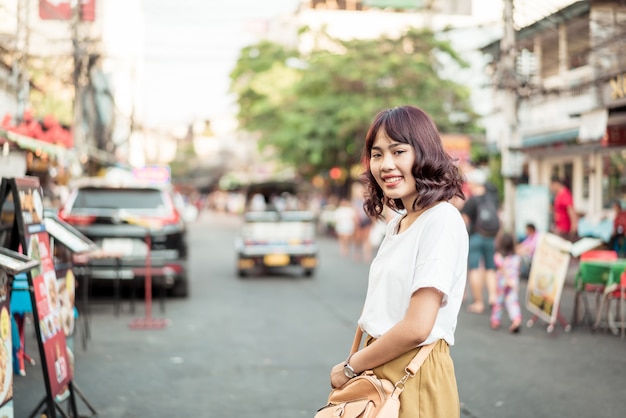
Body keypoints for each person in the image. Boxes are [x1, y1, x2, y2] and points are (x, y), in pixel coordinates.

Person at [328, 105, 468, 417]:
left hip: (414, 370)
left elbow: (418, 327)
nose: (386, 165)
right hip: (380, 362)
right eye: (377, 155)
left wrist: (351, 367)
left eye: (398, 151)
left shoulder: (441, 219)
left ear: (424, 153)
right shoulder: (399, 223)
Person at [460, 168, 499, 314]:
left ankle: (479, 302)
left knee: (475, 268)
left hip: (476, 237)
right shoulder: (492, 198)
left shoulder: (471, 201)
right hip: (491, 237)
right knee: (490, 268)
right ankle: (493, 297)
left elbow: (464, 223)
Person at [491, 232, 523, 333]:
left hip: (502, 281)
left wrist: (506, 278)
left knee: (499, 301)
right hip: (513, 282)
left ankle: (495, 320)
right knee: (512, 302)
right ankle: (516, 319)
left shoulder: (498, 256)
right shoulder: (516, 258)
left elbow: (501, 268)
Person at [550, 176, 578, 241]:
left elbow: (571, 209)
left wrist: (574, 225)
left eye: (552, 186)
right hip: (559, 227)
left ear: (556, 184)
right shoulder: (558, 194)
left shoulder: (565, 194)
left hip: (565, 229)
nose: (552, 188)